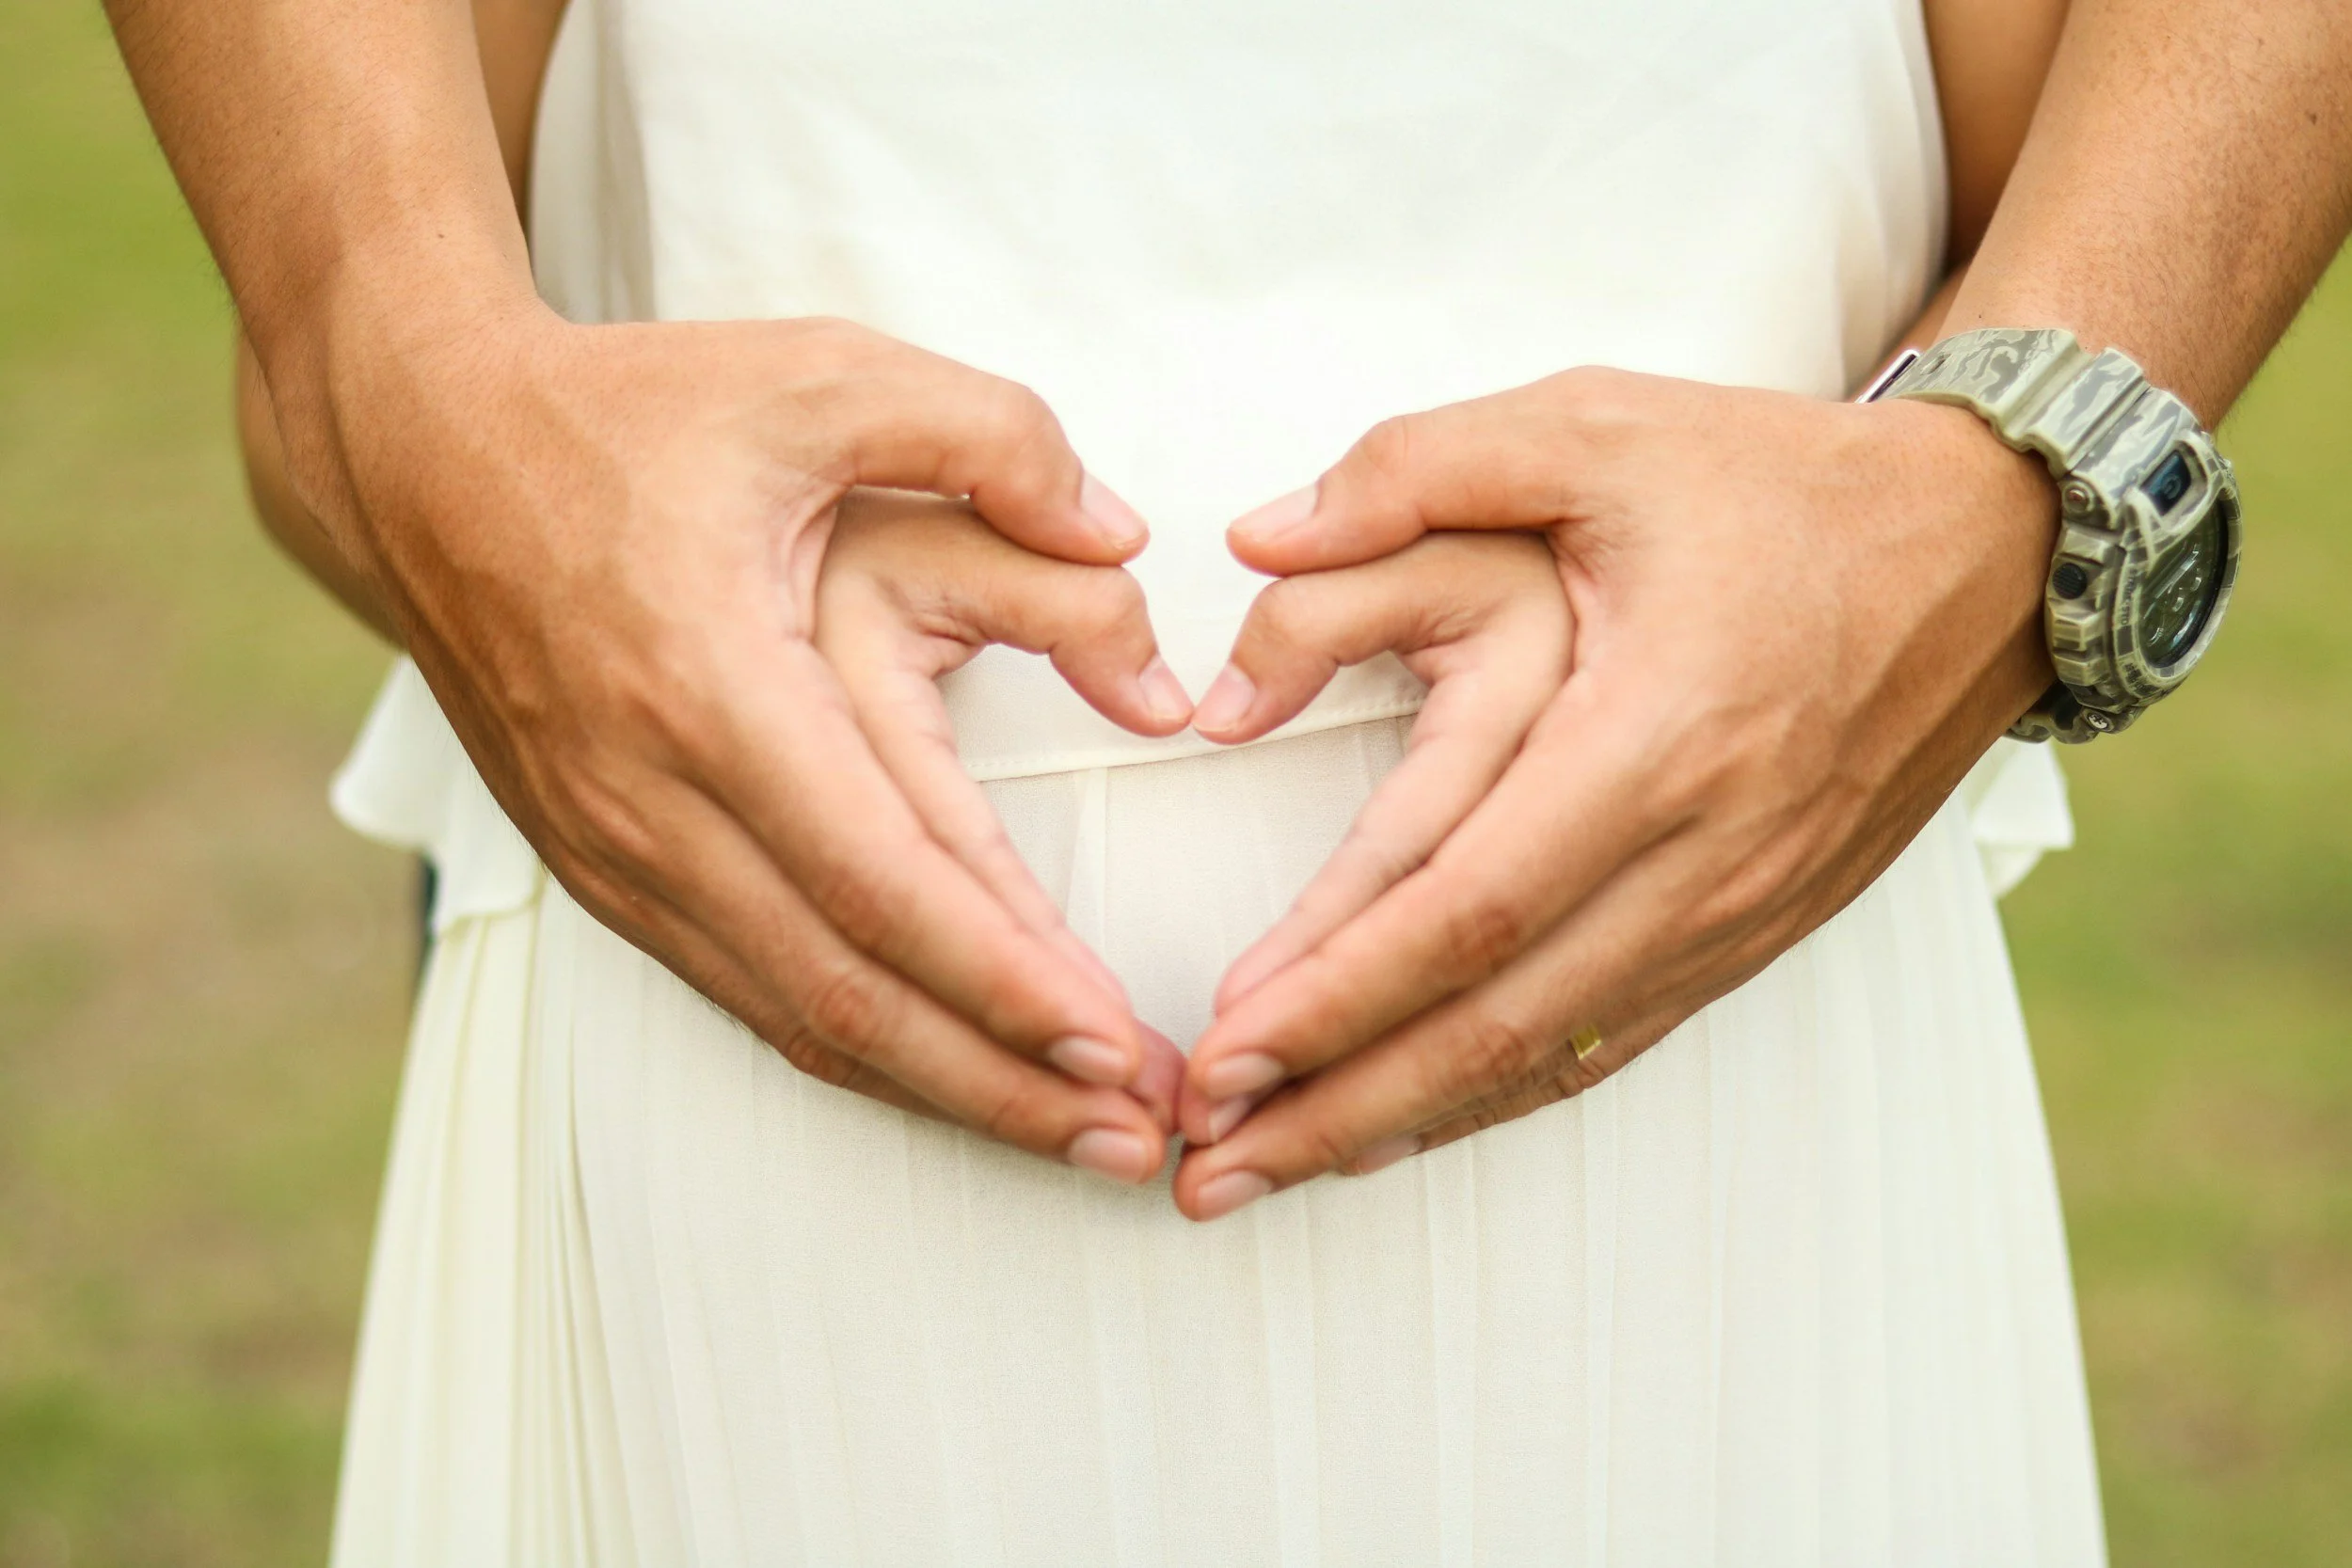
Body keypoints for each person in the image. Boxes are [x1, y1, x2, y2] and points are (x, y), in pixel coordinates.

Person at [116, 0, 2352, 1558]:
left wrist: (1996, 482)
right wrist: (414, 399)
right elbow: (358, 352)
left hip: (1725, 1093)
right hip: (754, 1160)